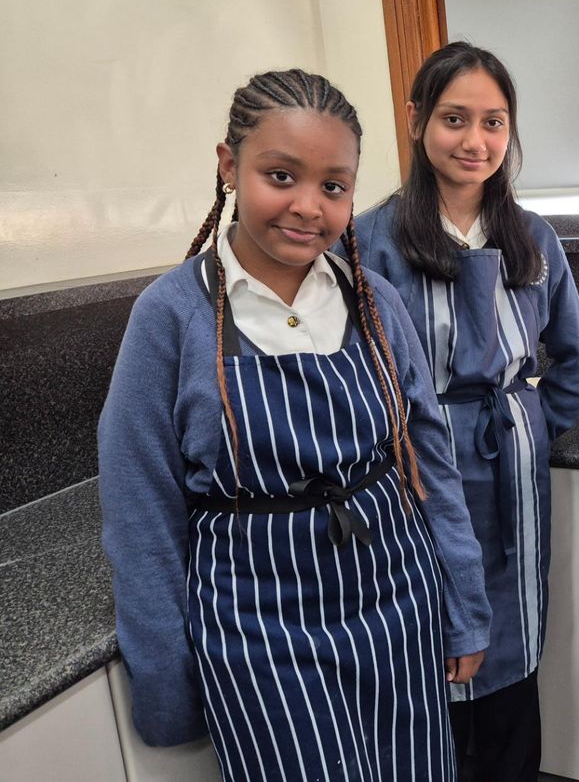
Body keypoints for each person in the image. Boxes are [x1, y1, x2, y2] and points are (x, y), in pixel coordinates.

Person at [99, 69, 491, 781]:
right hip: (258, 630)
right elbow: (140, 511)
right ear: (229, 165)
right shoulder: (171, 316)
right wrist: (166, 681)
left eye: (334, 186)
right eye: (280, 176)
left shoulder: (374, 302)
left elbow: (428, 460)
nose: (308, 206)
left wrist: (462, 605)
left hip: (398, 605)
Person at [352, 41, 579, 781]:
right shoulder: (370, 240)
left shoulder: (534, 237)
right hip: (416, 466)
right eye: (454, 118)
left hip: (513, 459)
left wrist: (533, 424)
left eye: (494, 122)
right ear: (416, 120)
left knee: (514, 631)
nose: (475, 141)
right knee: (433, 632)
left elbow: (574, 357)